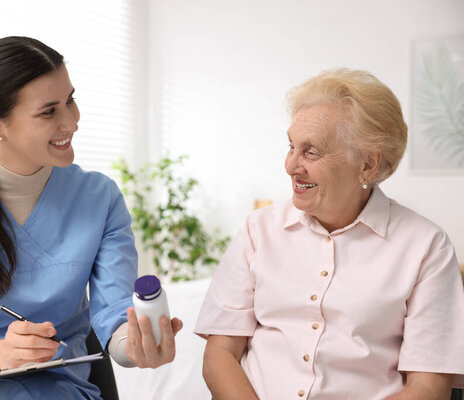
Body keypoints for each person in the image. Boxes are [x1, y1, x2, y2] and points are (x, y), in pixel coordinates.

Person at [0, 36, 182, 400]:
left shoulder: (99, 198)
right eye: (49, 112)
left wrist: (137, 345)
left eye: (70, 101)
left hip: (57, 391)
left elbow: (114, 319)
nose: (71, 122)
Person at [194, 68, 464, 400]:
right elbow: (219, 355)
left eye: (311, 152)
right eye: (291, 146)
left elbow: (428, 388)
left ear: (367, 164)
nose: (291, 165)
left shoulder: (426, 247)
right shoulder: (258, 230)